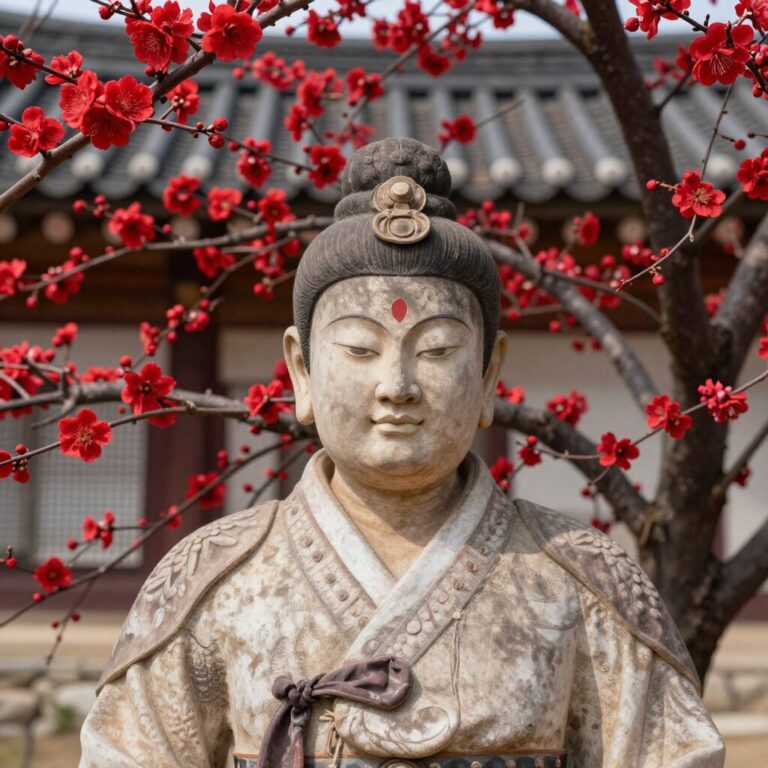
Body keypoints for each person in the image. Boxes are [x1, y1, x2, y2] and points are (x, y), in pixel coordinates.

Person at [80, 138, 725, 768]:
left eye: (438, 349)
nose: (397, 386)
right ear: (302, 372)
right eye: (360, 349)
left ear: (488, 375)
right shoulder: (210, 581)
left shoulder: (585, 583)